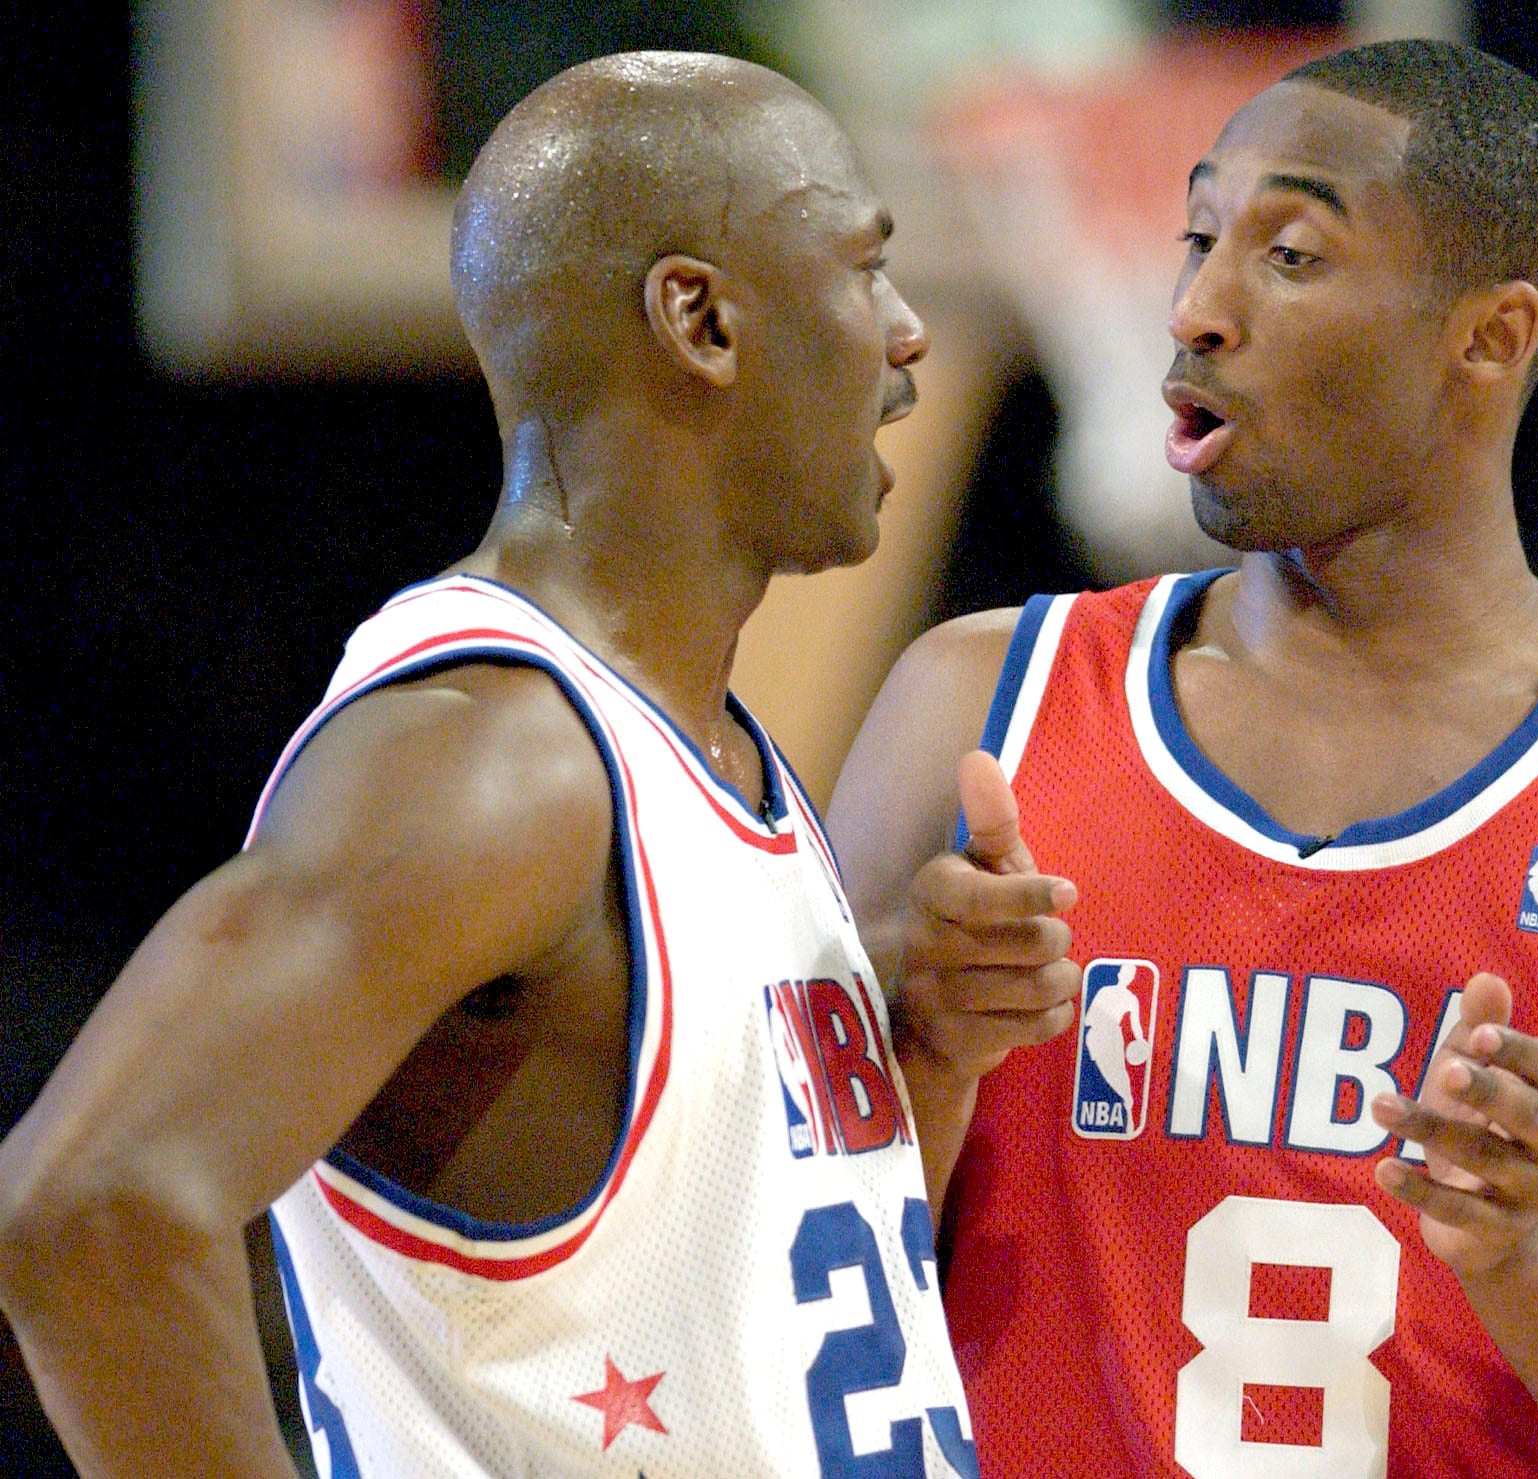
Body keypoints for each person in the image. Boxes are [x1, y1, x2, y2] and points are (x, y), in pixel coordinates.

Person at [826, 38, 1538, 1479]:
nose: (1199, 308)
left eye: (1287, 253)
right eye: (1198, 238)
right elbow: (748, 1295)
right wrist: (926, 1059)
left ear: (1489, 334)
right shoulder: (980, 707)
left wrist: (1537, 1260)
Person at [0, 53, 978, 1478]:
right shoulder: (493, 759)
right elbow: (84, 1208)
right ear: (699, 319)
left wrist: (924, 1046)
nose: (906, 337)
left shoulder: (713, 750)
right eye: (859, 270)